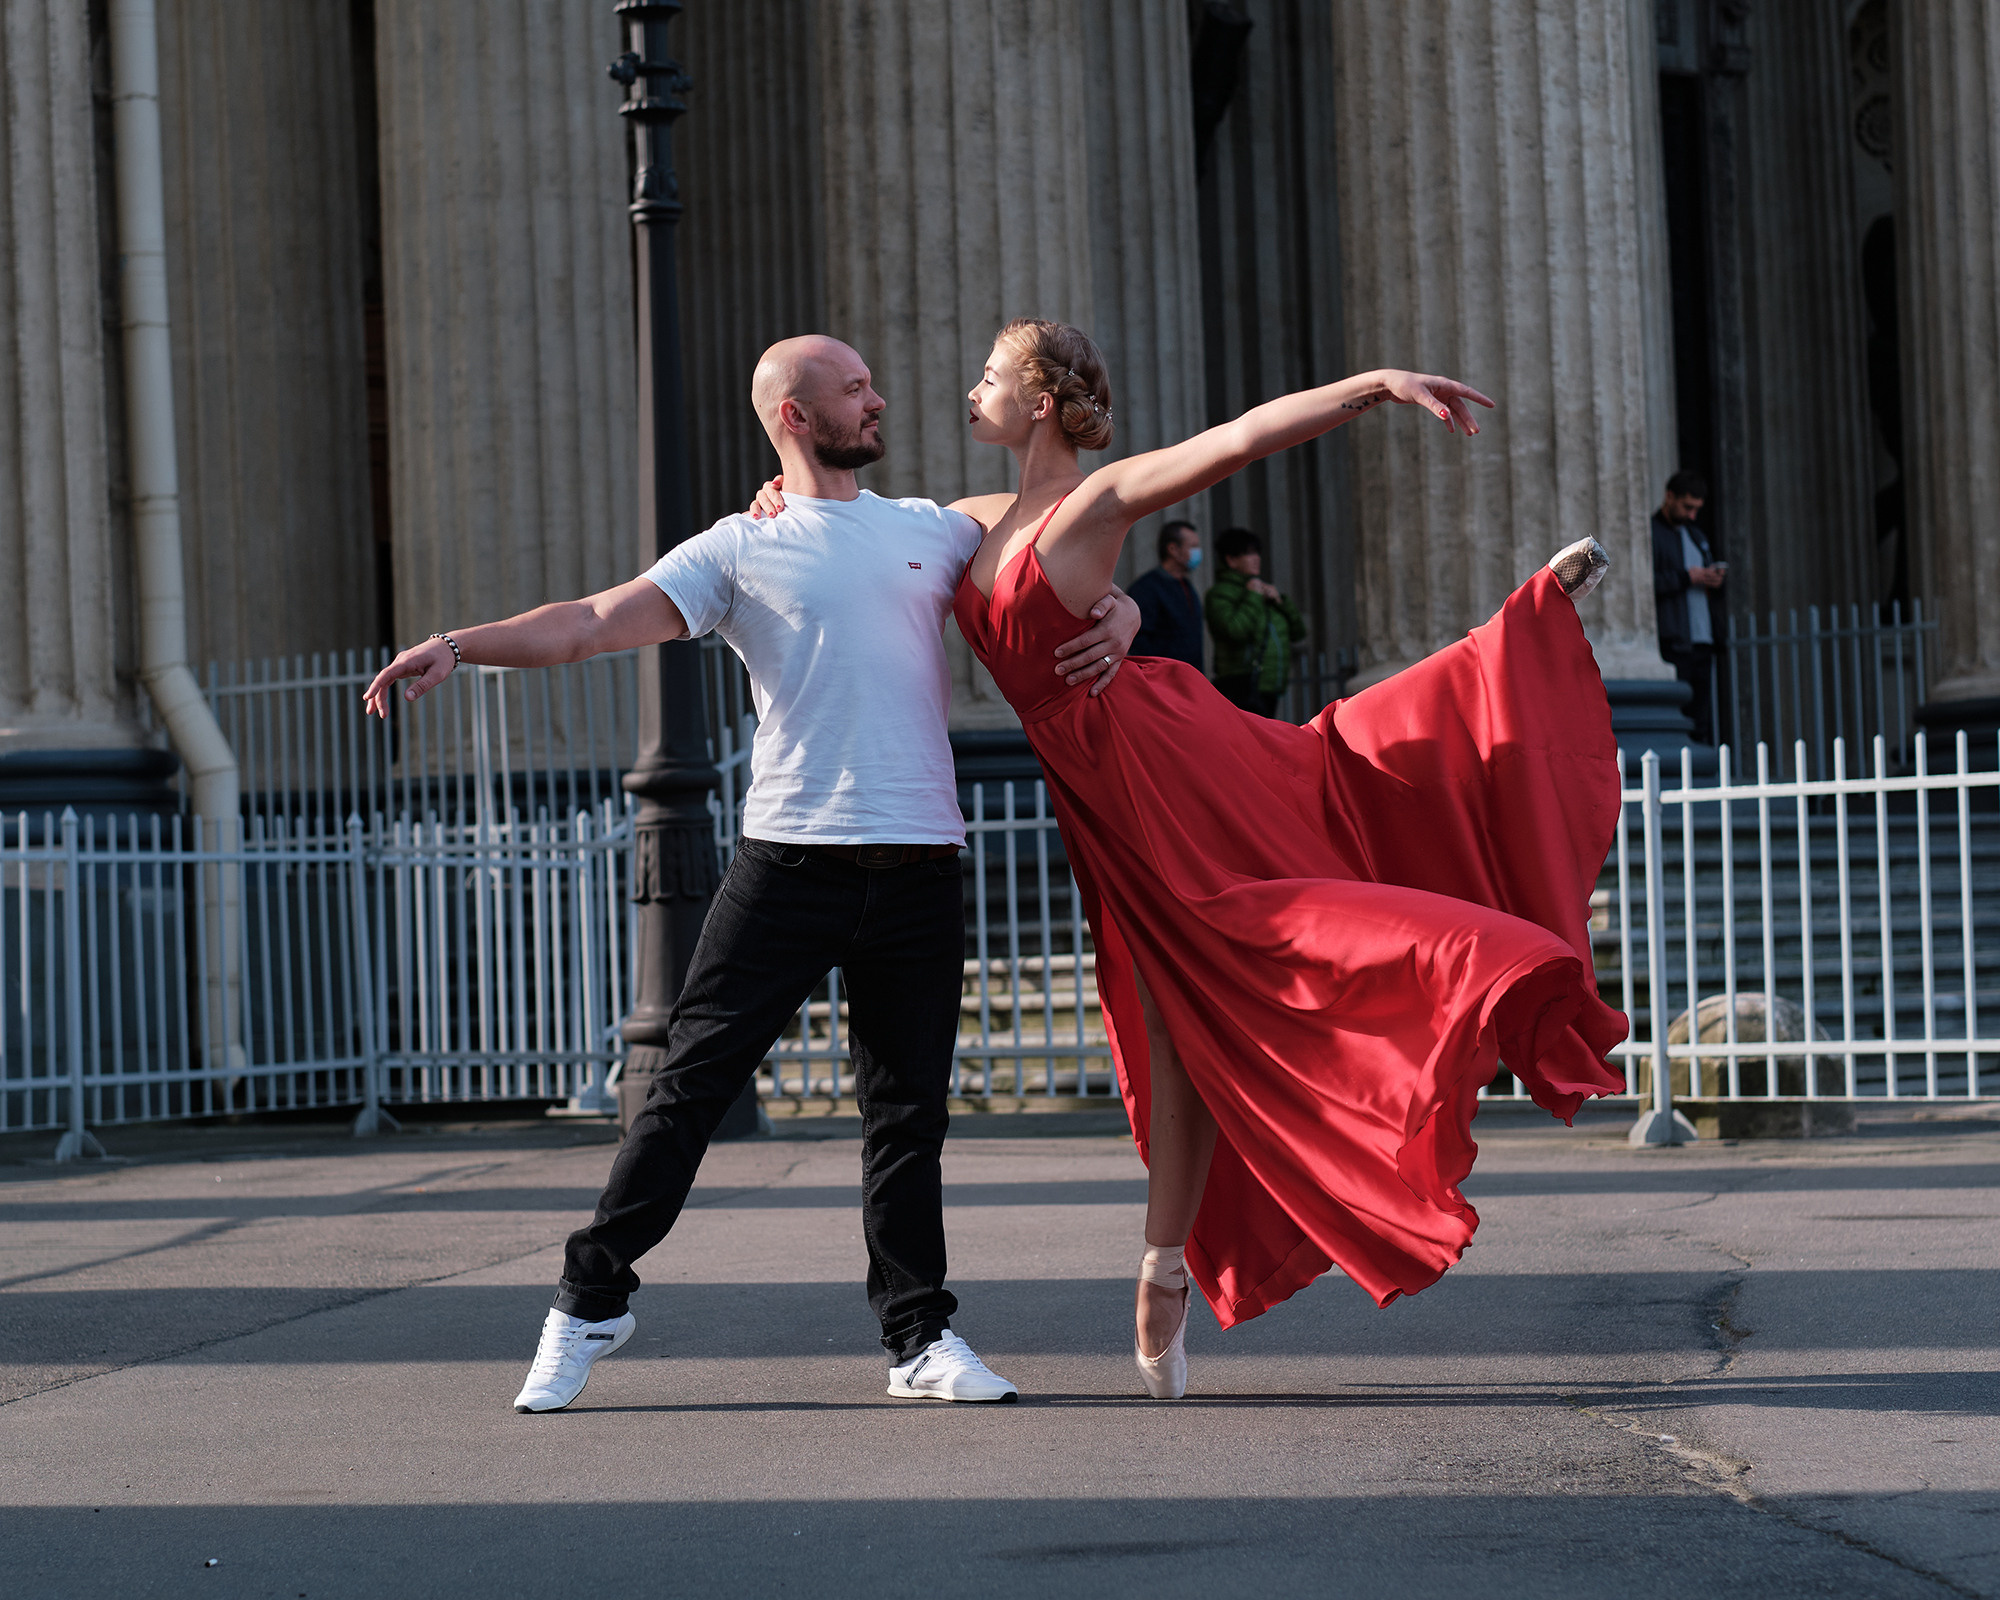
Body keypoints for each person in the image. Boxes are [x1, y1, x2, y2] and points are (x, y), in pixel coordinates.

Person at [755, 318, 1629, 1403]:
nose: (967, 389)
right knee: (1175, 1020)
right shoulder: (963, 520)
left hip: (1160, 767)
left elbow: (1239, 439)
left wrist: (1374, 382)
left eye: (988, 375)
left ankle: (1505, 759)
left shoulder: (1095, 503)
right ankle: (1164, 1266)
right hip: (1105, 799)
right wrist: (777, 494)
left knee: (1317, 819)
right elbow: (848, 524)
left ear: (1038, 402)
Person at [361, 335, 1142, 1413]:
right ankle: (588, 1301)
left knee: (907, 1120)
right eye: (854, 389)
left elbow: (1059, 543)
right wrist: (460, 643)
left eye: (871, 383)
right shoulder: (738, 546)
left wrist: (1124, 609)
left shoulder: (933, 526)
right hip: (789, 862)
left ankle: (919, 1338)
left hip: (921, 859)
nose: (878, 399)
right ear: (794, 416)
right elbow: (591, 622)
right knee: (685, 1094)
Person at [1650, 469, 1725, 745]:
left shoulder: (1696, 535)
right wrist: (1685, 578)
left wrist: (1714, 579)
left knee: (1702, 718)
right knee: (1677, 715)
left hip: (1702, 639)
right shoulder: (1651, 533)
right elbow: (1647, 584)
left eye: (1696, 509)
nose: (1692, 515)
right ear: (1670, 497)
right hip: (1675, 640)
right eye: (1687, 507)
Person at [1205, 527, 1307, 717]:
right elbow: (1235, 630)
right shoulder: (1221, 594)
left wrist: (1281, 603)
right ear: (1231, 560)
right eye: (1248, 553)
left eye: (1257, 553)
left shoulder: (1263, 592)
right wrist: (1253, 596)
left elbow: (1298, 632)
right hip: (1240, 683)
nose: (1256, 558)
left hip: (1269, 685)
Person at [1127, 519, 1205, 668]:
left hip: (1189, 674)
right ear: (1173, 549)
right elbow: (1139, 640)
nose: (1197, 552)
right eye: (1193, 546)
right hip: (1164, 676)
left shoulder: (1185, 585)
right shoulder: (1146, 588)